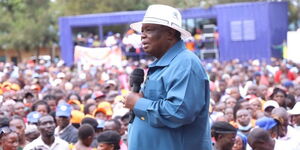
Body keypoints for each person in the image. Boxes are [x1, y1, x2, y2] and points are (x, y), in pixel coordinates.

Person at [124, 4, 211, 150]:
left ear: (170, 33)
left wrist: (138, 104)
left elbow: (179, 112)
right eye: (142, 31)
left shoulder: (185, 63)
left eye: (149, 30)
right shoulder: (164, 64)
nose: (143, 35)